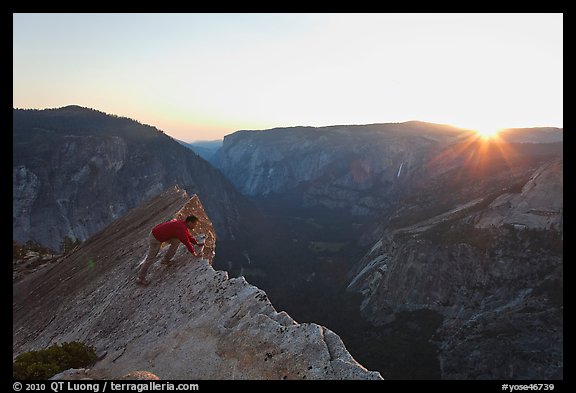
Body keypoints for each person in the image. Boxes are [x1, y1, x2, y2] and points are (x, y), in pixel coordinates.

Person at [136, 215, 204, 286]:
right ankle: (140, 278)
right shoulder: (181, 228)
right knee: (150, 258)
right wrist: (194, 254)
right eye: (195, 224)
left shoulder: (182, 224)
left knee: (176, 241)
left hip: (159, 233)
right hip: (155, 238)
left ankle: (165, 260)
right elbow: (186, 242)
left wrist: (196, 243)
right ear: (190, 222)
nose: (195, 226)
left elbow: (188, 236)